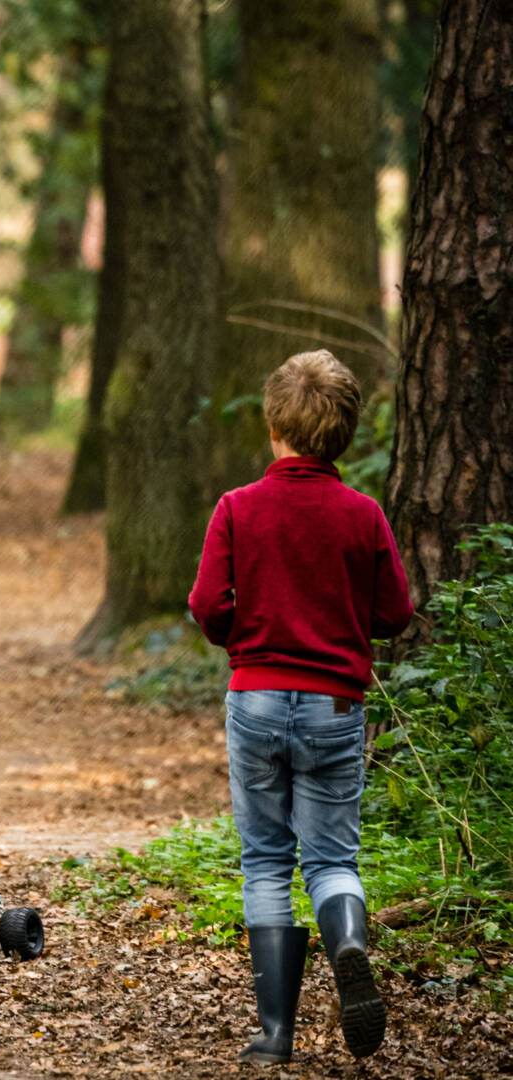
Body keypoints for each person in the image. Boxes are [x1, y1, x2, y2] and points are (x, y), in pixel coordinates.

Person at [188, 350, 409, 1066]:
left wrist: (243, 639)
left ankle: (275, 1034)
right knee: (332, 858)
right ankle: (347, 939)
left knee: (264, 860)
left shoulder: (238, 508)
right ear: (344, 432)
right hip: (335, 707)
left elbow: (206, 605)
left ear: (274, 426)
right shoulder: (363, 515)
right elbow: (395, 613)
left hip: (255, 698)